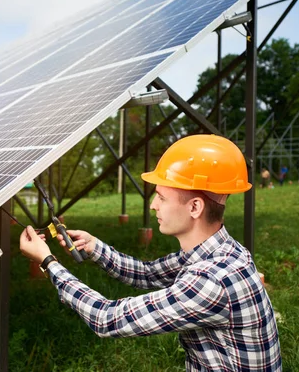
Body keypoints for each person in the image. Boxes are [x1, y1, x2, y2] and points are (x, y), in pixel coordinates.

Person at [20, 134, 281, 371]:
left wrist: (48, 262)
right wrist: (94, 247)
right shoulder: (221, 252)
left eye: (162, 197)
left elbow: (107, 319)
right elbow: (147, 274)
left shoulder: (211, 281)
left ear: (195, 208)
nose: (153, 205)